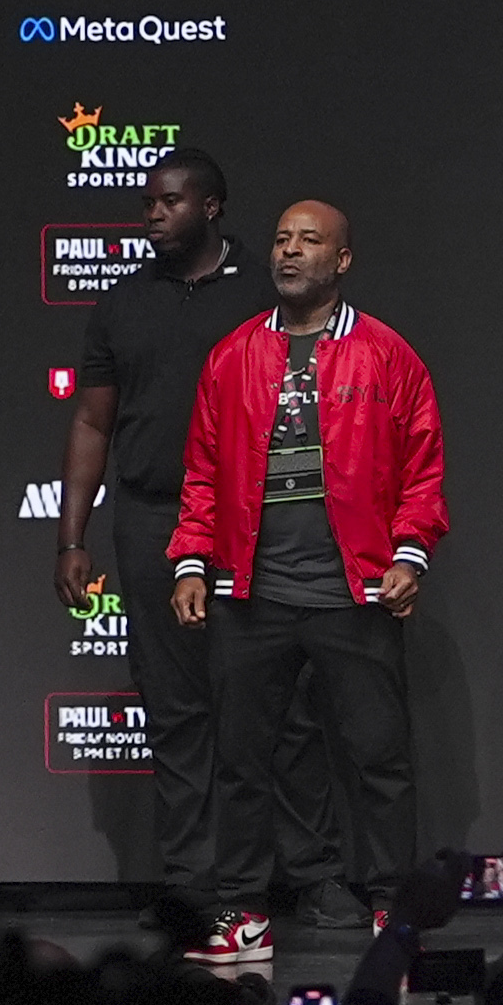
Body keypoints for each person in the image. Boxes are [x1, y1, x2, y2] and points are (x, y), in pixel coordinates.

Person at [168, 197, 446, 959]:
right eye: (282, 240)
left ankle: (394, 908)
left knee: (379, 757)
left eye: (309, 240)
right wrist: (193, 561)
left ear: (343, 259)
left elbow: (423, 470)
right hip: (249, 594)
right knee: (241, 759)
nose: (289, 252)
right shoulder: (232, 355)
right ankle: (244, 913)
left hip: (350, 590)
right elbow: (200, 471)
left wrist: (408, 553)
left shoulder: (387, 353)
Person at [51, 146, 269, 879]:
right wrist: (71, 539)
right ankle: (188, 877)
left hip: (257, 519)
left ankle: (306, 873)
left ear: (210, 207)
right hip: (152, 518)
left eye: (169, 201)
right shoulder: (123, 301)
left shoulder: (264, 292)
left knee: (276, 706)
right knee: (174, 705)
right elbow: (91, 423)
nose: (152, 214)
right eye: (147, 201)